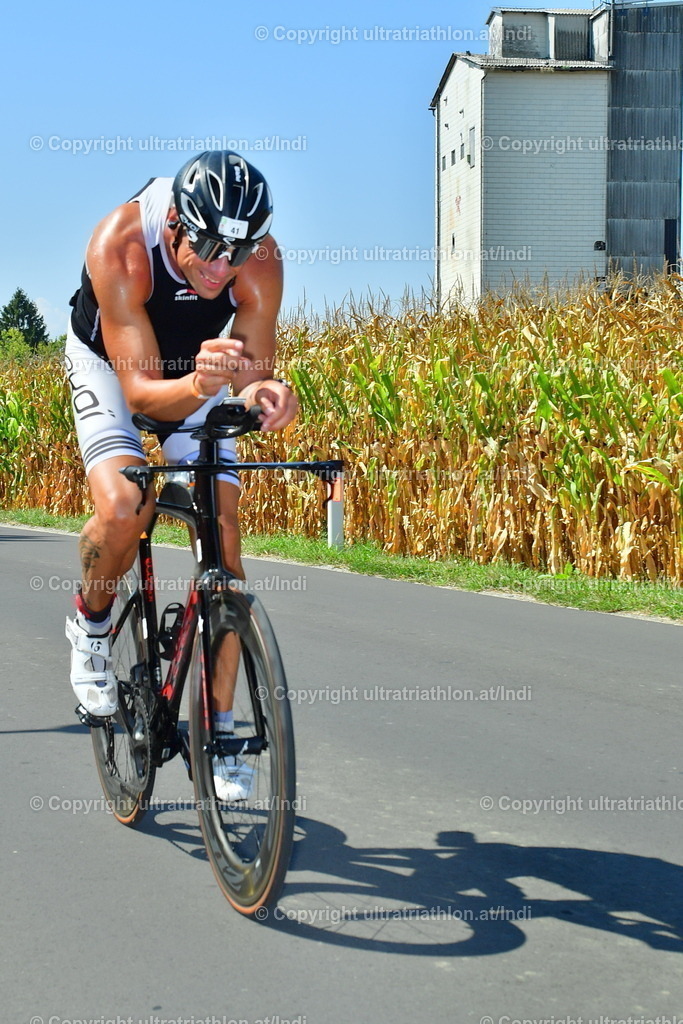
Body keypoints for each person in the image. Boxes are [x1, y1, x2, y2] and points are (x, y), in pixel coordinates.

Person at [63, 150, 298, 800]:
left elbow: (252, 375)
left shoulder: (259, 259)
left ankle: (218, 730)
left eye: (239, 249)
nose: (224, 266)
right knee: (122, 506)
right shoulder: (121, 244)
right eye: (210, 247)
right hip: (113, 368)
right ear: (174, 224)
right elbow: (140, 395)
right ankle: (90, 621)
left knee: (224, 543)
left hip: (199, 375)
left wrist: (265, 396)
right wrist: (200, 381)